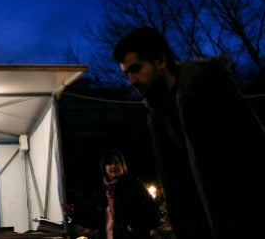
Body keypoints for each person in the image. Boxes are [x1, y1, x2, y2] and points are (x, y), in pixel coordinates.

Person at [112, 27, 265, 239]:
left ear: (160, 61)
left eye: (136, 69)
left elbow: (255, 153)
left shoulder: (209, 92)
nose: (132, 80)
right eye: (127, 73)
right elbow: (177, 185)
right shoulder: (158, 116)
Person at [63, 149, 159, 239]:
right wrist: (74, 214)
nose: (113, 166)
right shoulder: (101, 191)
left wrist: (133, 227)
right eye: (109, 163)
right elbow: (94, 221)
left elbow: (152, 214)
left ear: (123, 166)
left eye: (117, 162)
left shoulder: (134, 186)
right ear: (104, 167)